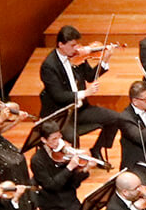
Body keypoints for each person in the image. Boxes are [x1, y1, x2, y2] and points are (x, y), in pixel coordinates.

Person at [38, 25, 129, 156]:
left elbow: (90, 76)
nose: (77, 49)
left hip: (80, 110)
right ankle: (72, 165)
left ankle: (96, 150)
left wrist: (104, 60)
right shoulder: (49, 66)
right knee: (72, 136)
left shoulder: (77, 57)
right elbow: (58, 96)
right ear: (61, 45)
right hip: (61, 114)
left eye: (77, 44)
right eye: (72, 45)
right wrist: (85, 93)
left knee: (116, 118)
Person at [29, 128, 94, 210]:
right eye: (54, 139)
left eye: (59, 137)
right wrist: (69, 168)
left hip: (71, 202)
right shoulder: (37, 160)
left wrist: (86, 169)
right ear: (44, 140)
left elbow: (74, 184)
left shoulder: (64, 155)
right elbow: (52, 186)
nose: (58, 142)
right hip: (53, 207)